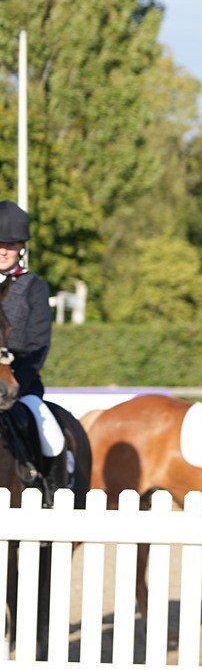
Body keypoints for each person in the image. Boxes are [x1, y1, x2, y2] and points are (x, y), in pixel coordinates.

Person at [0, 201, 69, 493]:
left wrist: (15, 382)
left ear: (22, 248)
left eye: (11, 244)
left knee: (51, 435)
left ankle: (52, 496)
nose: (3, 251)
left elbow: (39, 342)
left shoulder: (33, 286)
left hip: (18, 385)